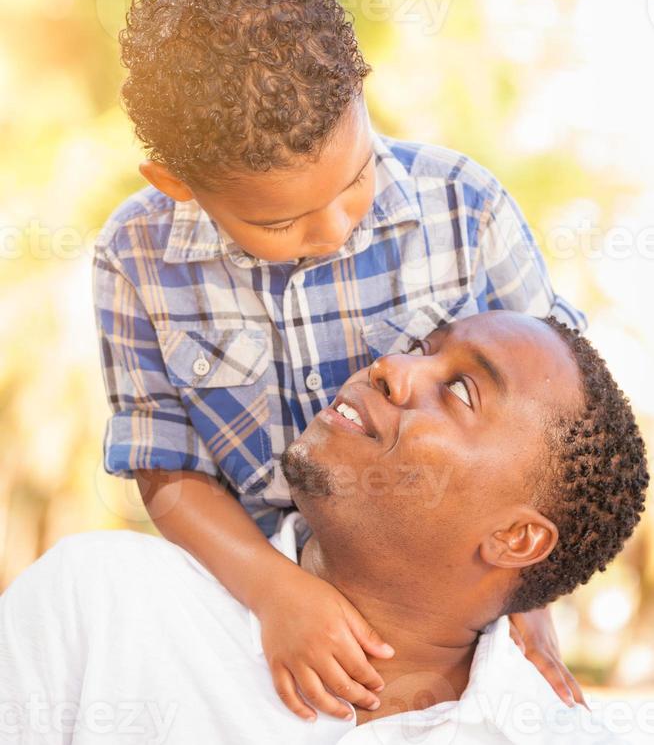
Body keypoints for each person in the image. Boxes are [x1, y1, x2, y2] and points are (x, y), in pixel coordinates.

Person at [93, 0, 588, 719]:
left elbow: (554, 430)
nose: (332, 230)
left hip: (433, 610)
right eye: (280, 220)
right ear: (177, 185)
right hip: (249, 597)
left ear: (362, 88)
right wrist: (276, 593)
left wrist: (528, 609)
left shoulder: (468, 209)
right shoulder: (137, 258)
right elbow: (168, 470)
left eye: (354, 180)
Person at [1, 312, 647, 744]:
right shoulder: (99, 607)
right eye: (423, 348)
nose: (392, 366)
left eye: (461, 393)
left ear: (515, 539)